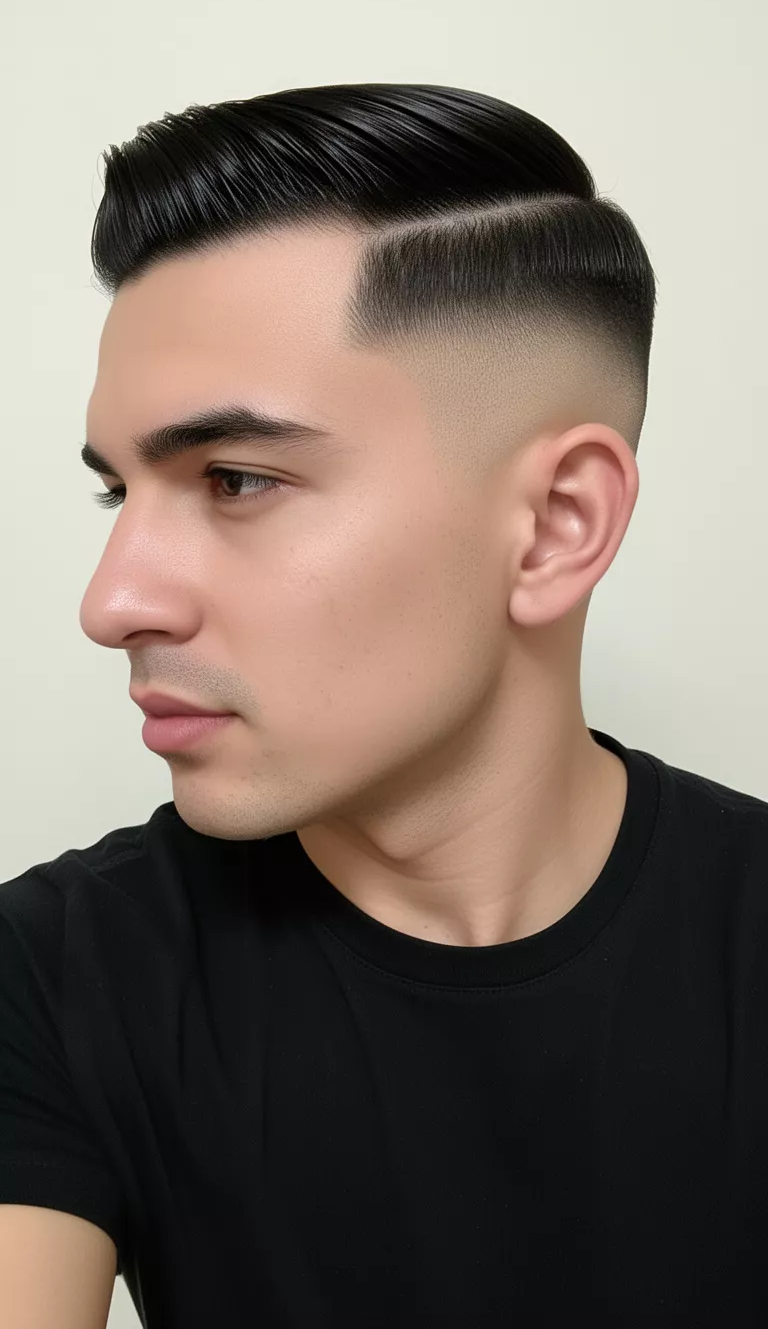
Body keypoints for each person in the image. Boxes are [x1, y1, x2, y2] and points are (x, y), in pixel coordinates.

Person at [1, 82, 766, 1328]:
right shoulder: (55, 975)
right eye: (117, 494)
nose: (114, 600)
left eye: (235, 479)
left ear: (556, 527)